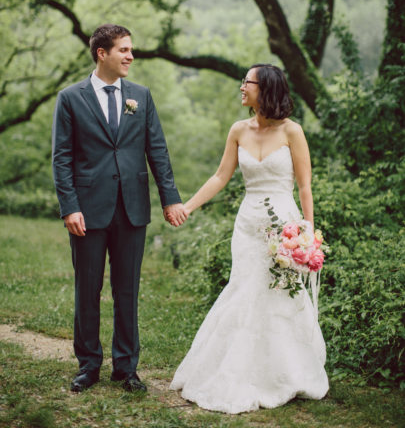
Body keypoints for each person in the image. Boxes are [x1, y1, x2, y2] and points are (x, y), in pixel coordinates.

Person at [170, 64, 328, 413]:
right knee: (244, 289)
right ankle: (235, 370)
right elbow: (220, 176)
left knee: (280, 297)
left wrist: (306, 234)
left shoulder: (292, 131)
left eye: (247, 82)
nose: (242, 87)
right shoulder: (238, 130)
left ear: (266, 88)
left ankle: (285, 372)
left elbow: (304, 186)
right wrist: (188, 207)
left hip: (283, 225)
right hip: (248, 226)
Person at [52, 24, 187, 393]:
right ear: (102, 53)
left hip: (132, 209)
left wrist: (170, 198)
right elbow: (61, 158)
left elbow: (156, 149)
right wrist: (69, 207)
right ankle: (89, 365)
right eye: (124, 50)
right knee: (88, 289)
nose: (130, 56)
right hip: (87, 212)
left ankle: (126, 368)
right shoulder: (70, 98)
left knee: (127, 290)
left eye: (131, 50)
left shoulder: (141, 96)